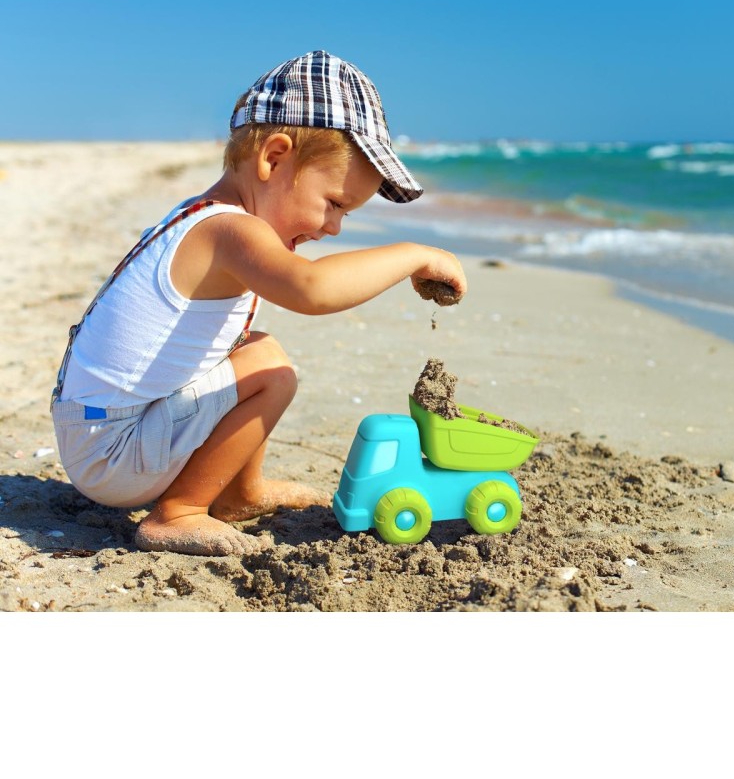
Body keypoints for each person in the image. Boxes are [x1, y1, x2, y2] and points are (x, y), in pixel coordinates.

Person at [50, 50, 467, 557]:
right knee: (270, 370)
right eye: (334, 203)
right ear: (273, 156)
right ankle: (177, 513)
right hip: (113, 453)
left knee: (255, 350)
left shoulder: (200, 214)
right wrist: (414, 255)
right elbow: (310, 289)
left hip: (98, 431)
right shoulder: (230, 231)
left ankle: (238, 493)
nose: (333, 227)